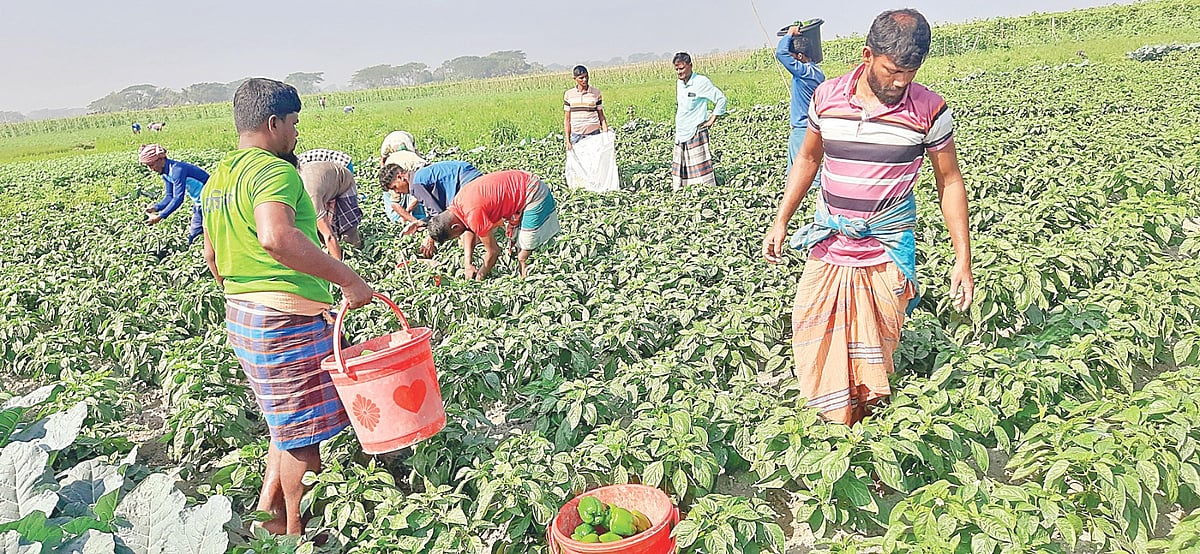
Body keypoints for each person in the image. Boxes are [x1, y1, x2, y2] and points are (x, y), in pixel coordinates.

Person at [761, 9, 974, 426]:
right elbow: (807, 157)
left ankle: (870, 433)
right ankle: (832, 426)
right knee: (812, 328)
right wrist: (782, 218)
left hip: (884, 249)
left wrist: (962, 258)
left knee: (875, 346)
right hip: (830, 242)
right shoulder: (827, 98)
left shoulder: (930, 109)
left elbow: (949, 181)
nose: (900, 82)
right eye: (892, 70)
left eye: (910, 73)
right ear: (867, 55)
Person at [200, 78, 373, 536]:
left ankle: (269, 523)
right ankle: (298, 533)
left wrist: (250, 291)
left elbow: (212, 258)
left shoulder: (217, 179)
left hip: (243, 315)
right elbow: (276, 237)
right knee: (303, 440)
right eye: (293, 124)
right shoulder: (273, 172)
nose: (296, 134)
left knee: (284, 424)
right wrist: (348, 280)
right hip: (283, 320)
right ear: (273, 123)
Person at [420, 170, 558, 279]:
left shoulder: (473, 213)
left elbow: (493, 251)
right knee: (518, 246)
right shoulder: (457, 204)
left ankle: (530, 284)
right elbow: (468, 229)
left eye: (455, 235)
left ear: (454, 227)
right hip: (521, 184)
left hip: (532, 192)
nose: (459, 237)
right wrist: (468, 264)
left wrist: (480, 275)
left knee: (524, 254)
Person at [381, 160, 483, 251]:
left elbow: (438, 216)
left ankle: (482, 258)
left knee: (467, 232)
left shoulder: (415, 184)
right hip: (470, 176)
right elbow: (438, 211)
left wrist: (430, 238)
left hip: (467, 181)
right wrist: (418, 223)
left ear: (400, 176)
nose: (397, 192)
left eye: (395, 187)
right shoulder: (417, 177)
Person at [671, 52, 727, 191]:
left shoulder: (701, 82)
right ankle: (684, 195)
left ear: (690, 66)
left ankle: (707, 194)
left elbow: (721, 99)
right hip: (682, 131)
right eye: (677, 69)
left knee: (700, 171)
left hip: (696, 131)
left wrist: (712, 119)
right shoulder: (679, 83)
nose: (679, 72)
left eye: (682, 68)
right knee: (683, 169)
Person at [139, 144, 210, 244]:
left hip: (212, 199)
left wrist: (160, 216)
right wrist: (155, 208)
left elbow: (178, 198)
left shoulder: (177, 170)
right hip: (199, 203)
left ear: (161, 159)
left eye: (151, 165)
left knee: (209, 233)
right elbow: (169, 196)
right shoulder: (166, 174)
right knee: (194, 236)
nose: (151, 169)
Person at [776, 24, 825, 169]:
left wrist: (789, 34)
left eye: (793, 58)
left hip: (802, 129)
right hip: (810, 127)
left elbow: (780, 53)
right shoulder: (817, 71)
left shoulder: (804, 71)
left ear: (800, 56)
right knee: (803, 168)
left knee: (803, 171)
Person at [298, 161, 364, 260]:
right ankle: (331, 253)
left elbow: (328, 236)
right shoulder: (293, 194)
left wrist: (339, 268)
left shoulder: (311, 197)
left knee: (348, 229)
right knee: (318, 230)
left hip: (343, 181)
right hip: (321, 181)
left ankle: (357, 254)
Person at [563, 65, 608, 150]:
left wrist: (605, 134)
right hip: (577, 136)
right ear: (575, 79)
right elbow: (567, 120)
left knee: (595, 161)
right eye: (581, 78)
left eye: (586, 77)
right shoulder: (569, 94)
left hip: (594, 135)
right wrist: (568, 141)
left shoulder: (596, 93)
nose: (585, 80)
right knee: (579, 162)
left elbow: (601, 116)